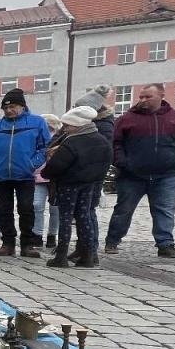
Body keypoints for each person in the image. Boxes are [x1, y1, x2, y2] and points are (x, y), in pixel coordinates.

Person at [105, 82, 175, 258]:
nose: (143, 100)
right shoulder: (126, 119)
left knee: (164, 210)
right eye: (141, 97)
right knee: (124, 209)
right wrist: (122, 162)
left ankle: (165, 244)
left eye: (148, 97)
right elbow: (115, 143)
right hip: (132, 175)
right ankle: (112, 240)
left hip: (167, 174)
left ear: (161, 96)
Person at [0, 88, 50, 258]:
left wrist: (32, 164)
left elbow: (45, 147)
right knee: (4, 210)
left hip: (25, 175)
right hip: (0, 176)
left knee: (26, 209)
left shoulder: (36, 122)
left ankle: (27, 244)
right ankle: (8, 243)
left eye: (12, 106)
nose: (8, 110)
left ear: (22, 106)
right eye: (5, 108)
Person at [43, 105, 109, 268]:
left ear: (78, 125)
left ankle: (61, 256)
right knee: (84, 216)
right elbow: (107, 162)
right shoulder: (101, 140)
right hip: (89, 185)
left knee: (66, 218)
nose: (65, 129)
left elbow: (57, 165)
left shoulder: (72, 142)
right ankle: (88, 256)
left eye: (67, 125)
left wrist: (47, 173)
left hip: (69, 185)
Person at [35, 113, 62, 247]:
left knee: (55, 208)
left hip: (55, 177)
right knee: (37, 205)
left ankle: (52, 235)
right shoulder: (36, 136)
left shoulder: (60, 137)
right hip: (38, 176)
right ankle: (37, 234)